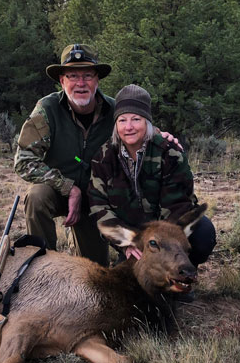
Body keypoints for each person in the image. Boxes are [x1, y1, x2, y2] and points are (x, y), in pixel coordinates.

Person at [88, 84, 216, 272]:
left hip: (166, 235)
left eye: (136, 119)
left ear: (147, 122)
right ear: (115, 125)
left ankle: (185, 270)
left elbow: (179, 206)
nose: (129, 127)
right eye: (122, 120)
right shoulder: (103, 157)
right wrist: (126, 243)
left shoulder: (169, 153)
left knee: (203, 233)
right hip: (131, 236)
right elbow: (98, 206)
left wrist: (155, 245)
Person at [14, 44, 115, 266]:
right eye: (73, 76)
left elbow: (140, 134)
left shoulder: (114, 111)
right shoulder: (47, 109)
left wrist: (160, 136)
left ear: (97, 80)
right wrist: (69, 188)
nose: (81, 83)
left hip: (96, 198)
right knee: (36, 198)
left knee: (94, 271)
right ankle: (42, 267)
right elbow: (24, 160)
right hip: (57, 190)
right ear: (62, 81)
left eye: (88, 75)